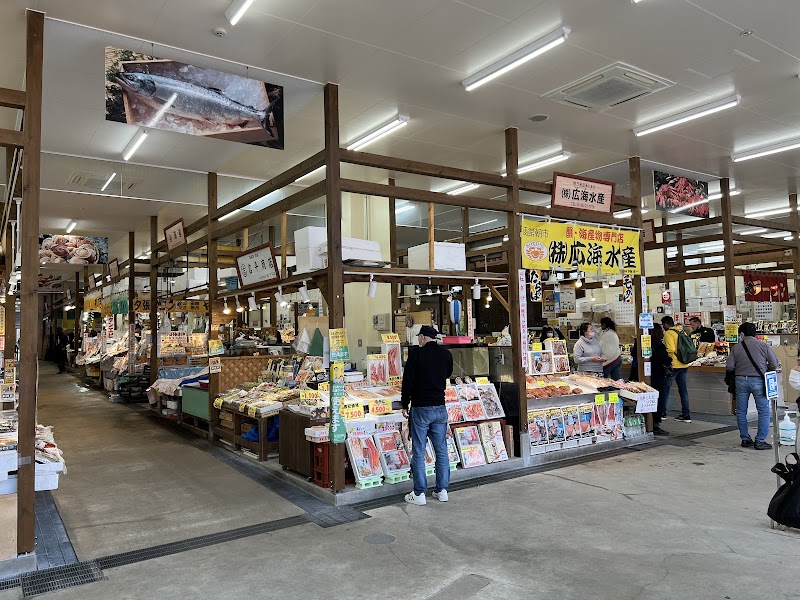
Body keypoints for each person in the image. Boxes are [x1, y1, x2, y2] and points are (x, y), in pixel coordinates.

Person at [401, 325, 454, 506]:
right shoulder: (446, 354)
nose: (418, 340)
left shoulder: (416, 354)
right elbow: (448, 373)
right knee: (441, 450)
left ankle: (419, 493)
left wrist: (404, 403)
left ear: (423, 337)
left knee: (419, 450)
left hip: (421, 408)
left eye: (419, 337)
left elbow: (408, 380)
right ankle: (442, 490)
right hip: (440, 407)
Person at [726, 322, 779, 450]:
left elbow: (730, 366)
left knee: (741, 411)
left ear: (742, 334)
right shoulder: (763, 345)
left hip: (740, 381)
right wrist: (765, 369)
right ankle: (760, 440)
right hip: (758, 380)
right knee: (763, 411)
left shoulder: (736, 348)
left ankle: (745, 439)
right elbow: (774, 364)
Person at [662, 316, 691, 422]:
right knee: (683, 391)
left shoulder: (669, 333)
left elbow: (671, 349)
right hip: (684, 364)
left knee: (665, 389)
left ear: (665, 324)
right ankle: (686, 415)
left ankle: (662, 413)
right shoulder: (681, 331)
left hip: (673, 365)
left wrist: (667, 360)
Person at [650, 324, 672, 436]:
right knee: (658, 400)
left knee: (646, 399)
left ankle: (646, 422)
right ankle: (655, 425)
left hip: (644, 376)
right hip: (657, 375)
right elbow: (666, 360)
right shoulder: (659, 345)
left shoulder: (641, 343)